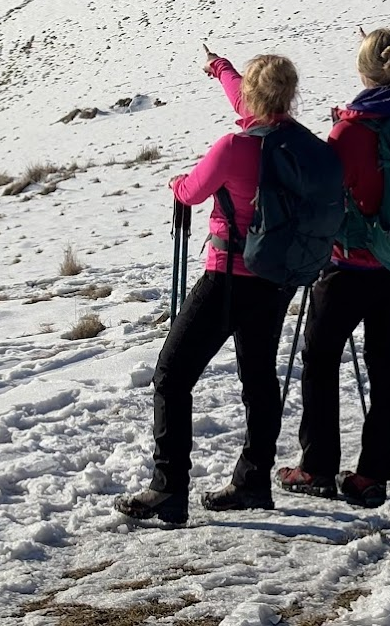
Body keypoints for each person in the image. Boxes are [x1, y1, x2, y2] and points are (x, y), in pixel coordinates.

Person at [115, 46, 300, 525]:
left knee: (172, 376)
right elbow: (247, 101)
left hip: (227, 278)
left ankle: (167, 488)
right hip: (277, 279)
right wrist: (222, 69)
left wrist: (177, 183)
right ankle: (254, 481)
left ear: (255, 98)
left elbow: (192, 191)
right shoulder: (300, 144)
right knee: (259, 379)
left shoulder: (234, 148)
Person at [278, 27, 390, 509]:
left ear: (363, 69)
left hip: (351, 263)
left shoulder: (351, 129)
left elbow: (325, 192)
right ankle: (372, 476)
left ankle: (317, 467)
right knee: (385, 358)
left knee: (321, 359)